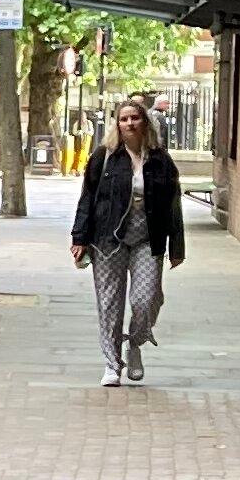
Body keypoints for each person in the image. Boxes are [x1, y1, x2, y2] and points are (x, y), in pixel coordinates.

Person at [70, 92, 183, 388]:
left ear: (145, 122)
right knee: (109, 303)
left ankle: (135, 343)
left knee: (146, 299)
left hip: (148, 239)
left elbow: (173, 204)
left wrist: (177, 246)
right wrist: (79, 237)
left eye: (135, 118)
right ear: (117, 124)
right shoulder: (104, 157)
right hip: (108, 239)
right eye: (124, 119)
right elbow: (88, 197)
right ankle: (112, 363)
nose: (129, 123)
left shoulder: (160, 160)